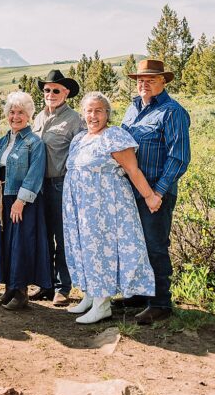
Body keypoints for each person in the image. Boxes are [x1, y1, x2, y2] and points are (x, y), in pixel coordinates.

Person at [62, 92, 158, 324]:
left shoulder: (114, 136)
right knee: (83, 248)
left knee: (99, 250)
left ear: (107, 114)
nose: (93, 116)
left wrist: (149, 196)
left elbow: (133, 170)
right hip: (79, 208)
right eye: (89, 111)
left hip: (105, 208)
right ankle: (90, 295)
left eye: (98, 111)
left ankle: (102, 304)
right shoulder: (80, 138)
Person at [120, 59, 191, 325]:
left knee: (155, 245)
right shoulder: (132, 109)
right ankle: (140, 294)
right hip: (133, 190)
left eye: (150, 79)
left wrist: (158, 193)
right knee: (136, 244)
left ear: (163, 81)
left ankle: (160, 302)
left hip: (156, 192)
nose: (144, 83)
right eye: (140, 79)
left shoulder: (172, 112)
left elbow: (179, 157)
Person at [0, 91, 51, 311]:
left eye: (21, 112)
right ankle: (9, 289)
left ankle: (21, 292)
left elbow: (35, 173)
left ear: (29, 115)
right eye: (12, 112)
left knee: (20, 243)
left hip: (22, 199)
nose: (16, 116)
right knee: (4, 242)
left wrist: (21, 201)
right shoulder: (4, 141)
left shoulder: (34, 142)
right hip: (2, 196)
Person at [30, 69, 85, 306]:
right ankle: (46, 284)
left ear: (66, 93)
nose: (50, 94)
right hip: (37, 185)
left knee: (62, 237)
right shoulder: (38, 118)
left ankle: (63, 287)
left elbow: (81, 153)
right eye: (47, 90)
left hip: (60, 184)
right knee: (42, 236)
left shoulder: (74, 120)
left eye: (55, 90)